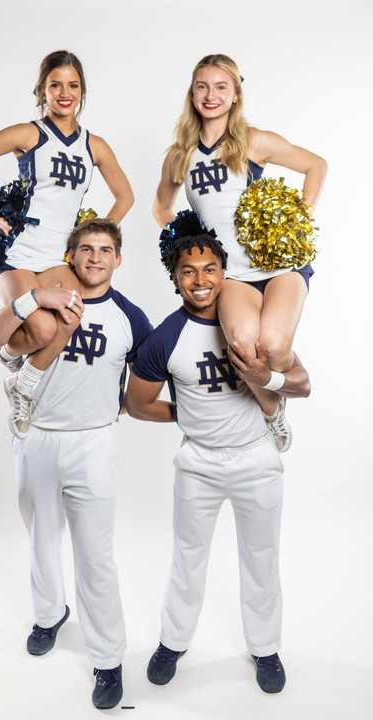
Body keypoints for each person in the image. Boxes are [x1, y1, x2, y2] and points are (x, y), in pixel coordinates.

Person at [0, 218, 151, 709]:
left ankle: (108, 659)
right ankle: (50, 614)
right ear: (70, 256)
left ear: (119, 259)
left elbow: (149, 372)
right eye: (86, 249)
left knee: (96, 555)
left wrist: (126, 398)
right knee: (41, 537)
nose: (96, 257)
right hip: (36, 438)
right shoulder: (44, 304)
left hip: (93, 444)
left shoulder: (130, 316)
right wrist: (29, 300)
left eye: (106, 249)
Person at [126, 232, 310, 693]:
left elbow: (303, 382)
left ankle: (265, 649)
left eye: (210, 269)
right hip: (198, 464)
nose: (200, 279)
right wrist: (184, 414)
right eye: (188, 271)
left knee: (261, 558)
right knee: (187, 558)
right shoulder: (165, 336)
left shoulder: (248, 324)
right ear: (174, 279)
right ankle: (173, 642)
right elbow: (137, 402)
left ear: (225, 273)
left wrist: (266, 379)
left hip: (255, 457)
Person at [153, 53, 326, 442]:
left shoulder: (254, 140)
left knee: (275, 349)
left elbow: (317, 165)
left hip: (279, 266)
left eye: (220, 87)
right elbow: (160, 206)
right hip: (233, 276)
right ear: (192, 93)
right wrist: (188, 240)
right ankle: (272, 410)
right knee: (245, 350)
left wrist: (297, 221)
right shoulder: (180, 154)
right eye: (202, 86)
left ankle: (292, 383)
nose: (210, 95)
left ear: (235, 95)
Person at [0, 50, 134, 425]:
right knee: (42, 328)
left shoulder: (94, 145)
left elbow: (126, 196)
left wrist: (96, 235)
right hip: (17, 249)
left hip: (58, 254)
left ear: (83, 90)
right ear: (42, 90)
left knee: (71, 316)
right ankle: (7, 353)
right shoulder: (29, 133)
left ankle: (21, 384)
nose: (64, 92)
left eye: (73, 85)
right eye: (55, 85)